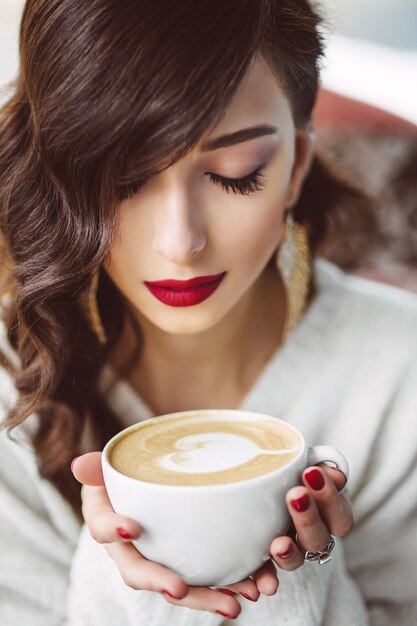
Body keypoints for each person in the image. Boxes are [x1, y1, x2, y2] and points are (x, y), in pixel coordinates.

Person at [0, 1, 416, 624]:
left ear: (296, 167)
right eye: (122, 180)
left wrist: (296, 579)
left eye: (235, 175)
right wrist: (125, 574)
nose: (180, 241)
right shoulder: (12, 384)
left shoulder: (400, 372)